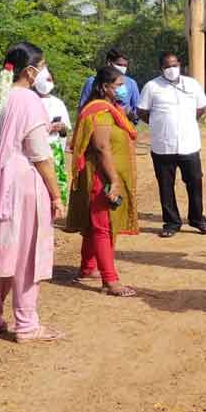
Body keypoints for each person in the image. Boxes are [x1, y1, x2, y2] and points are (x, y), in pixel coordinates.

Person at [0, 41, 65, 343]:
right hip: (22, 184)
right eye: (43, 65)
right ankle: (26, 325)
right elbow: (39, 154)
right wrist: (56, 195)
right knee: (26, 256)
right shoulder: (29, 101)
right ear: (31, 70)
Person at [66, 66, 139, 297]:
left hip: (105, 174)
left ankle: (88, 268)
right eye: (118, 85)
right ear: (105, 87)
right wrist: (114, 180)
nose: (123, 89)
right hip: (101, 176)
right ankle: (110, 281)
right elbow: (101, 147)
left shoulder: (112, 109)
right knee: (103, 227)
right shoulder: (100, 111)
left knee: (95, 224)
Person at [137, 52, 206, 237]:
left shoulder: (192, 84)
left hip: (189, 144)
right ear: (160, 68)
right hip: (163, 146)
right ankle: (171, 222)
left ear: (180, 65)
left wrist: (186, 121)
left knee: (194, 183)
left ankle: (197, 219)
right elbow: (142, 111)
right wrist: (159, 122)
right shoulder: (152, 86)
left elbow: (201, 106)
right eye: (167, 66)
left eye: (174, 65)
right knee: (165, 185)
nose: (171, 69)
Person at [34, 67, 72, 204]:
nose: (47, 82)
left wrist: (60, 127)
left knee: (55, 180)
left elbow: (64, 131)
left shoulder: (58, 103)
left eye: (50, 79)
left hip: (54, 147)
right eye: (45, 79)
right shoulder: (30, 101)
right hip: (35, 148)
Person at [78, 47, 140, 123]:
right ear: (109, 62)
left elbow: (136, 111)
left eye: (125, 66)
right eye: (119, 65)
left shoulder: (131, 83)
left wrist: (129, 115)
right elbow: (83, 109)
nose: (122, 68)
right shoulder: (92, 82)